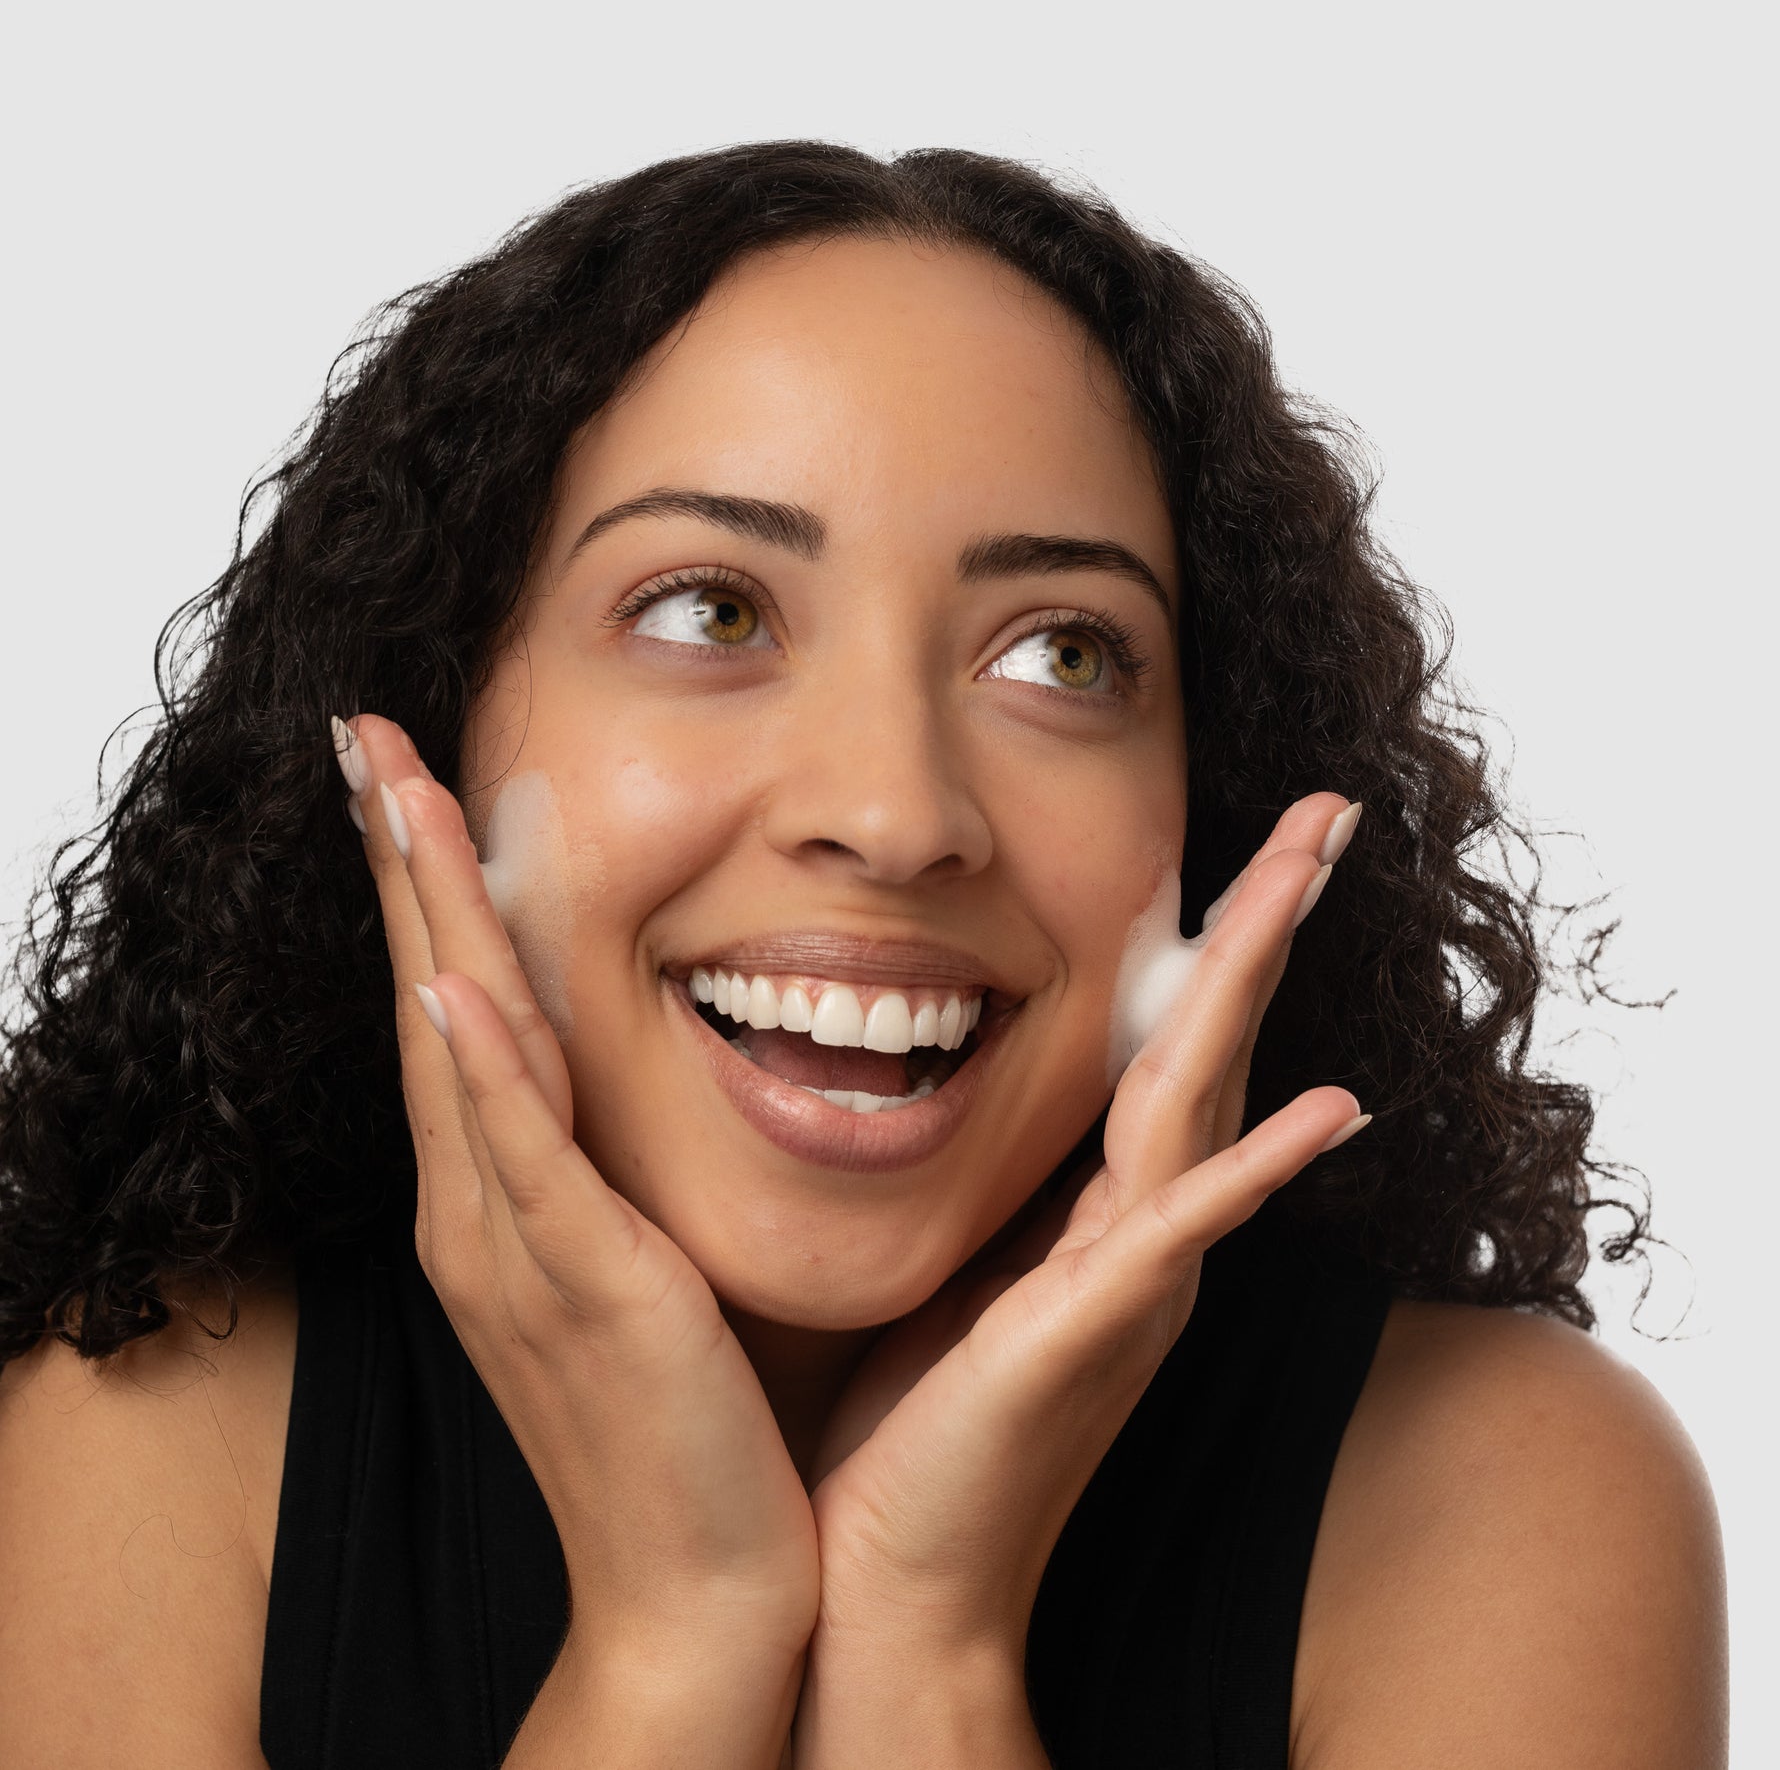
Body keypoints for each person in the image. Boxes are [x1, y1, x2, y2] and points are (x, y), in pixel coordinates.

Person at [0, 141, 1727, 1767]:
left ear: (1213, 803)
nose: (897, 814)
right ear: (427, 732)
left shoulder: (1507, 1494)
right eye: (710, 612)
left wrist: (926, 1643)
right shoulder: (143, 1441)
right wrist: (675, 1639)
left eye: (1063, 652)